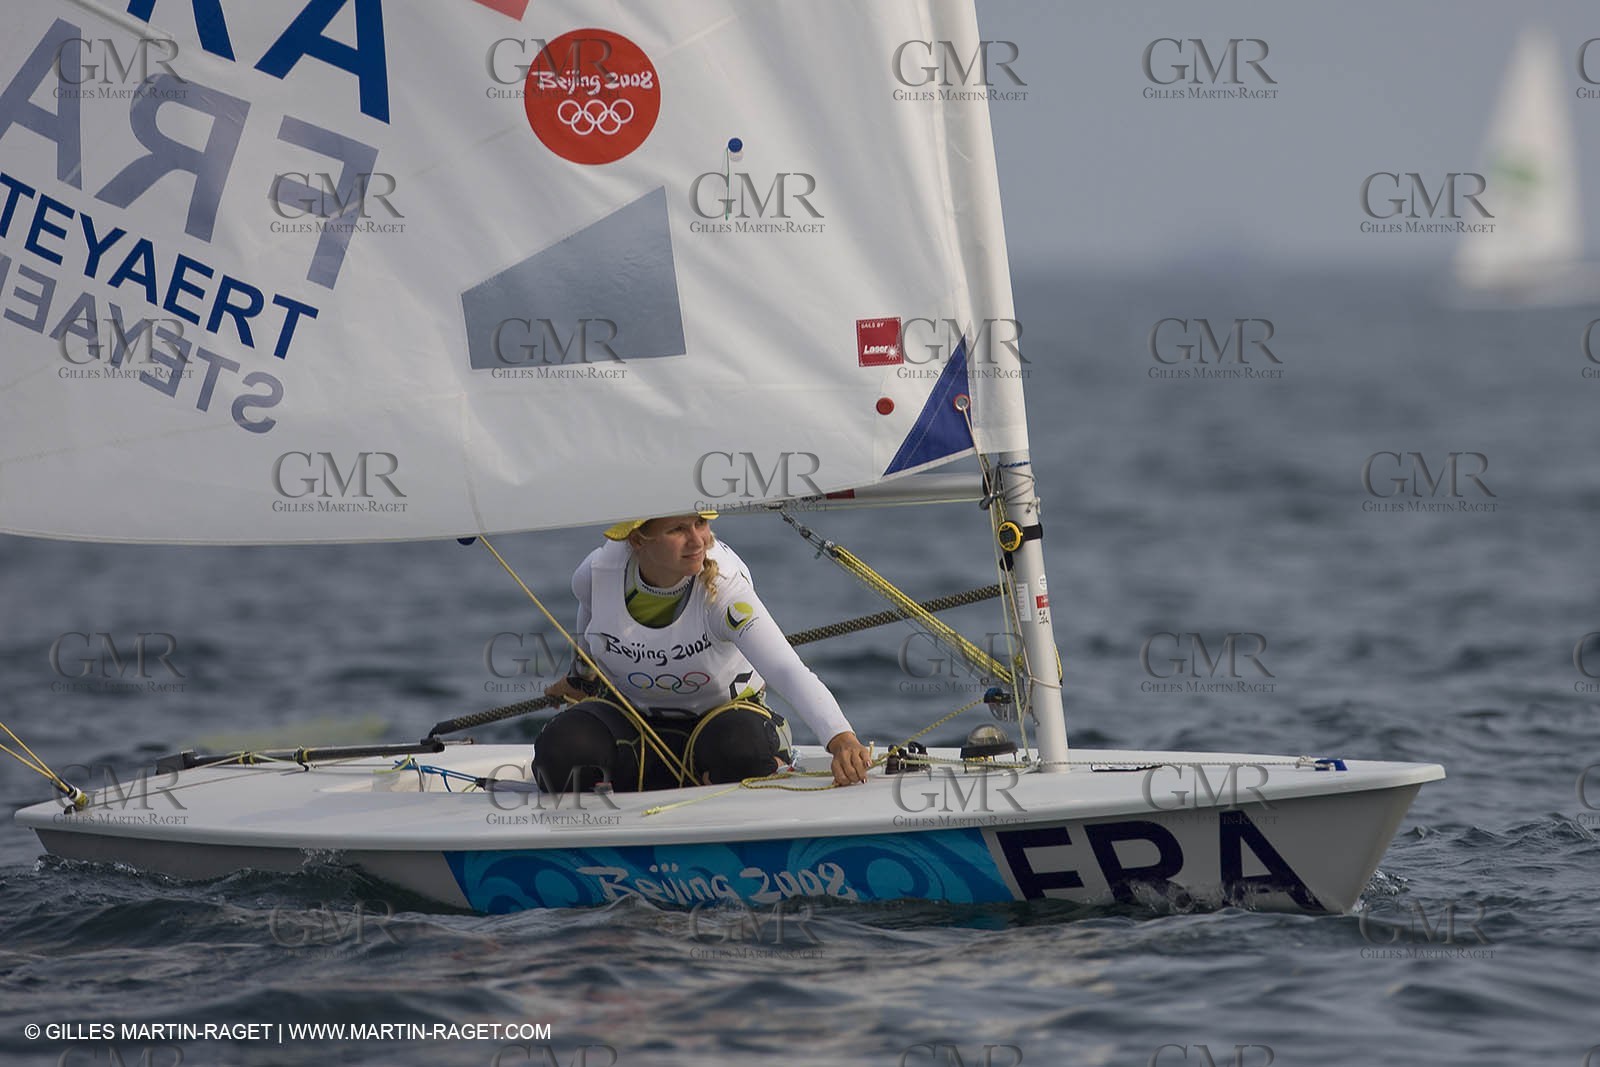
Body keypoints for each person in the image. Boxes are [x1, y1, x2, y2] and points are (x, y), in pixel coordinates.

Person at [536, 512, 874, 793]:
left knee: (740, 751)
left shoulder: (725, 589)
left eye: (701, 523)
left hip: (725, 723)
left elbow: (786, 669)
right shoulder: (596, 574)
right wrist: (580, 679)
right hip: (635, 720)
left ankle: (759, 766)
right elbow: (593, 627)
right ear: (638, 540)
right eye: (678, 529)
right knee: (561, 754)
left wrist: (840, 738)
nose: (698, 541)